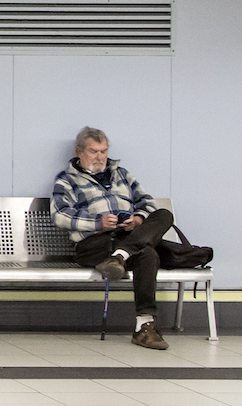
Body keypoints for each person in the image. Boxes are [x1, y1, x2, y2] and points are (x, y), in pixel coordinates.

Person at [52, 127, 176, 350]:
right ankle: (144, 324)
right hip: (94, 244)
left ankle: (143, 322)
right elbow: (60, 215)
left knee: (163, 217)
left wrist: (138, 219)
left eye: (104, 151)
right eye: (93, 151)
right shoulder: (67, 180)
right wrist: (97, 222)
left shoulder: (122, 174)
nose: (100, 157)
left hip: (126, 237)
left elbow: (148, 204)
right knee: (146, 251)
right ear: (79, 151)